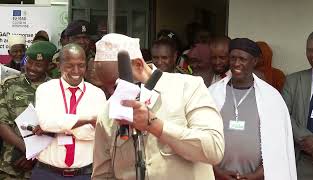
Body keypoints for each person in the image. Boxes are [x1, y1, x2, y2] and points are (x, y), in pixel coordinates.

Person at [91, 33, 224, 180]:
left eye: (116, 86)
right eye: (106, 88)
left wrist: (155, 126)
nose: (112, 95)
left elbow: (214, 149)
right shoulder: (107, 112)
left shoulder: (188, 88)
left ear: (138, 65)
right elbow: (102, 175)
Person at [209, 38, 297, 180]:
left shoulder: (272, 98)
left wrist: (258, 175)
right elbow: (200, 138)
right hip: (216, 176)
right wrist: (216, 171)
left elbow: (279, 146)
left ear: (254, 62)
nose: (237, 63)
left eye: (242, 59)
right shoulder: (212, 93)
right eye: (233, 58)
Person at [31, 43, 107, 180]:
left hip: (84, 174)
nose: (76, 70)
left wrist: (59, 127)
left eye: (81, 65)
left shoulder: (97, 94)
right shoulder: (46, 90)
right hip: (47, 173)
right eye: (70, 65)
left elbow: (98, 133)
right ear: (59, 65)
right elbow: (46, 123)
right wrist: (88, 120)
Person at [0, 41, 57, 179]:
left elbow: (58, 128)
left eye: (38, 65)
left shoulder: (56, 89)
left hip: (43, 167)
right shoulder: (10, 84)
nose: (31, 68)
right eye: (29, 62)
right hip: (10, 166)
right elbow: (2, 123)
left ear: (50, 66)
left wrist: (35, 156)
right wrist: (28, 150)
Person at [282, 30, 313, 179]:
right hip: (302, 159)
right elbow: (283, 115)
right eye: (309, 50)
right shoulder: (293, 81)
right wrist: (309, 142)